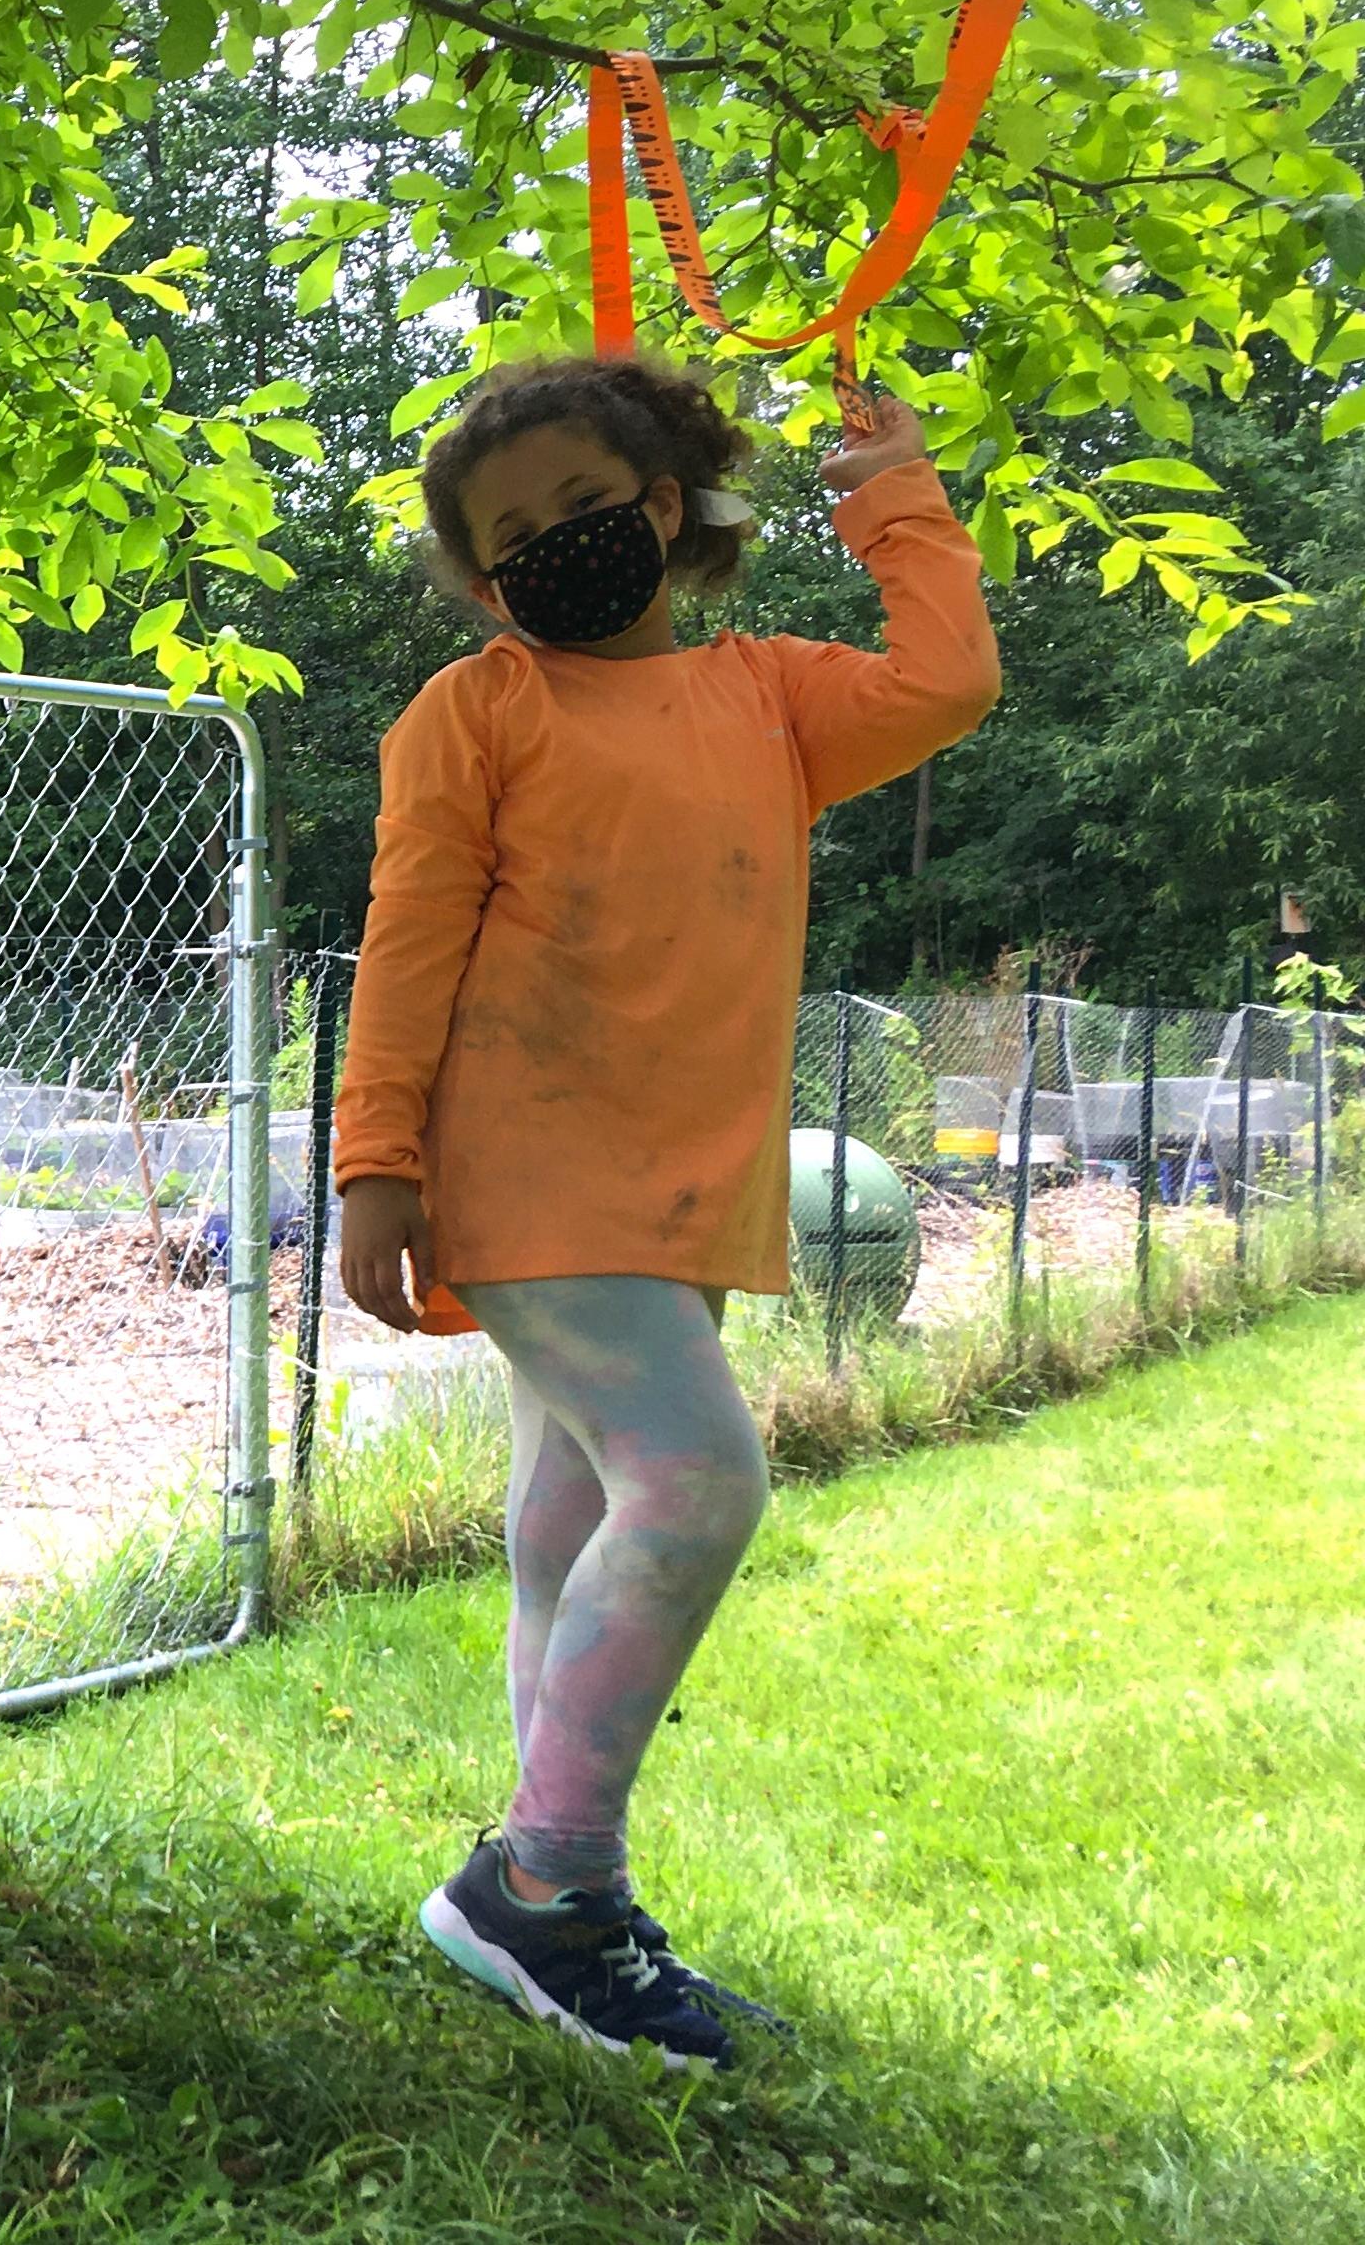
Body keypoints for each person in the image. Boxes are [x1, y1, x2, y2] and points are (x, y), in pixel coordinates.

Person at [334, 358, 998, 2068]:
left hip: (683, 1185)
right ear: (481, 585)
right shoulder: (474, 712)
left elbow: (946, 677)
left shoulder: (770, 700)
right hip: (526, 1174)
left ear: (670, 505)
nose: (554, 546)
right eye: (510, 537)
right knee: (695, 1482)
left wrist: (892, 494)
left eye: (583, 505)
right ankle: (543, 1883)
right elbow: (404, 949)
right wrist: (375, 1167)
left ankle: (561, 1906)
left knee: (566, 1523)